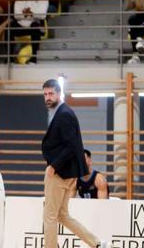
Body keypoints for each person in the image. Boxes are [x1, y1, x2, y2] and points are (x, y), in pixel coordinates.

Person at [41, 79, 107, 248]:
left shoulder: (64, 114)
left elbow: (72, 145)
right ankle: (97, 243)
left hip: (59, 171)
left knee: (49, 216)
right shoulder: (62, 112)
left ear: (59, 93)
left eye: (51, 93)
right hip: (66, 171)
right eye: (45, 94)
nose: (47, 97)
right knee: (62, 215)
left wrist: (54, 165)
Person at [9, 0, 49, 64]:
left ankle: (34, 59)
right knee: (10, 27)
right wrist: (31, 14)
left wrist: (28, 13)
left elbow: (42, 15)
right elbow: (16, 15)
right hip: (21, 26)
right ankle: (9, 58)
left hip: (35, 26)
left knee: (35, 26)